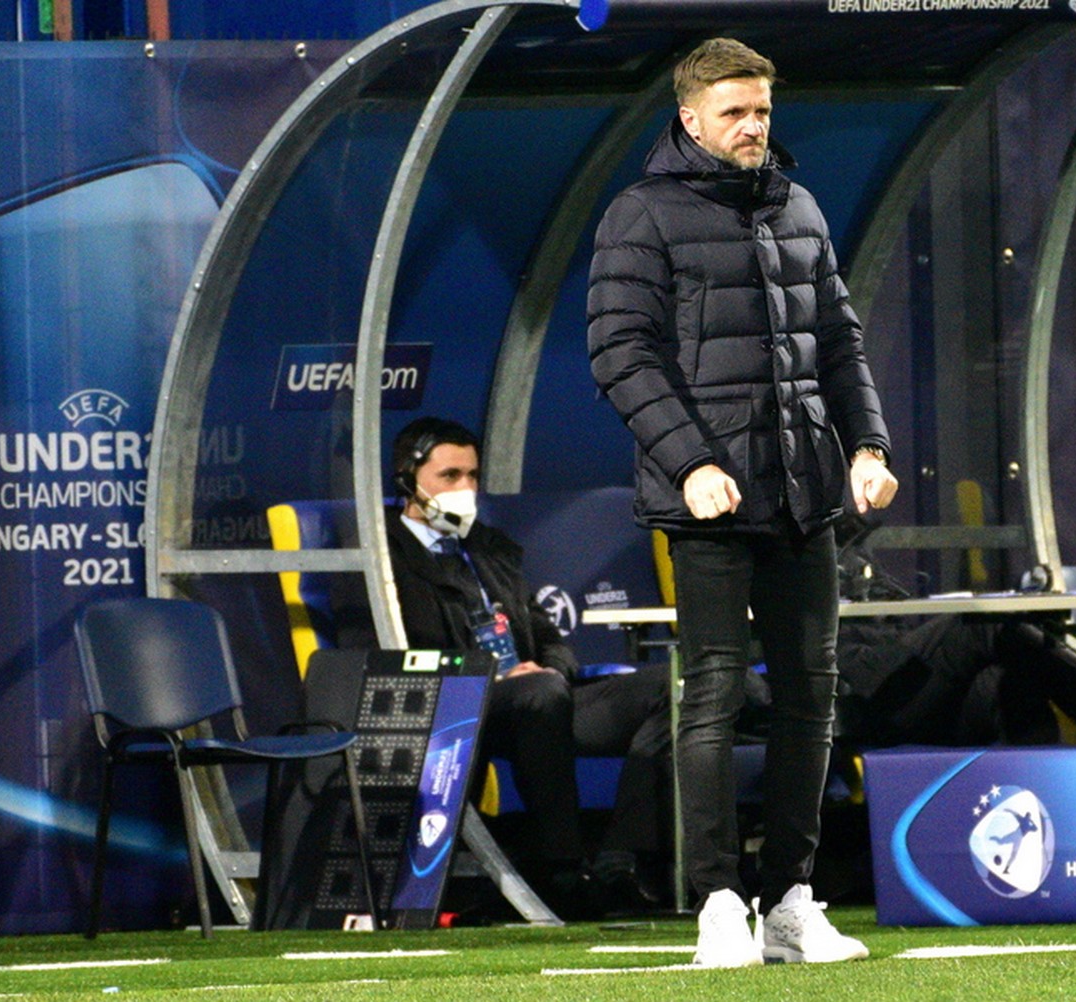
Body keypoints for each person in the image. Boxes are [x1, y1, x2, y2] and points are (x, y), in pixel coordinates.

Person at [587, 37, 897, 966]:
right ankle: (720, 901)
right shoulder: (640, 214)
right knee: (714, 693)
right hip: (709, 502)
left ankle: (794, 903)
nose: (754, 126)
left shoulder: (797, 205)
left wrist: (868, 445)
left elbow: (837, 341)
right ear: (690, 118)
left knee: (811, 695)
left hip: (805, 494)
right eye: (734, 111)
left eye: (762, 110)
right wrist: (688, 463)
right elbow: (620, 354)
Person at [362, 416, 672, 917]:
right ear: (407, 479)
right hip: (454, 705)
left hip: (537, 699)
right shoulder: (380, 557)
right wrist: (496, 675)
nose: (465, 489)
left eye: (472, 476)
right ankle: (562, 869)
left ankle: (621, 856)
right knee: (540, 694)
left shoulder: (488, 548)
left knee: (673, 687)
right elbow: (384, 656)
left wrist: (548, 669)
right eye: (449, 476)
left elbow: (548, 636)